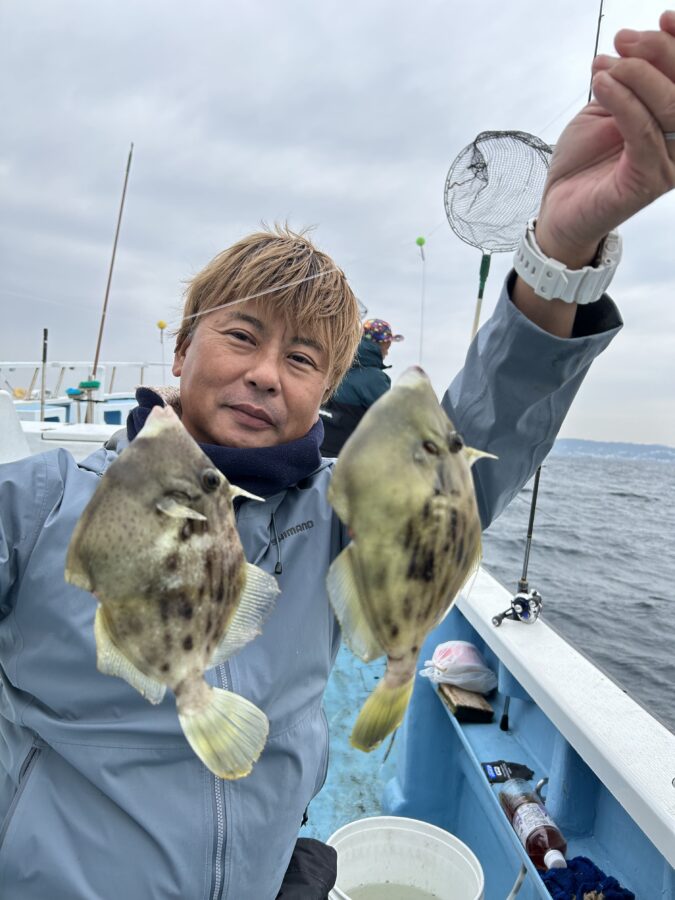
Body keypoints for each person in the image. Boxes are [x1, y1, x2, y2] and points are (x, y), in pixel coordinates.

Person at [1, 14, 674, 899]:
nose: (263, 375)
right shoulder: (40, 500)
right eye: (241, 335)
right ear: (180, 352)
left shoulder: (333, 521)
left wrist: (556, 252)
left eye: (302, 359)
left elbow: (478, 434)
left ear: (325, 393)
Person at [320, 317, 404, 456]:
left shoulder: (336, 365)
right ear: (380, 344)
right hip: (343, 460)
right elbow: (390, 423)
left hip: (315, 449)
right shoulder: (376, 379)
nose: (388, 352)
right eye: (388, 345)